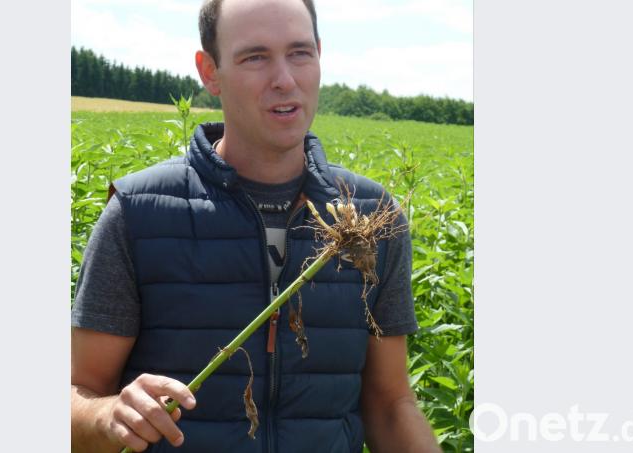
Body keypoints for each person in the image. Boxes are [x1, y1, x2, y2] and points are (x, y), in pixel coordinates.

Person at [71, 0, 441, 452]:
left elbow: (389, 405)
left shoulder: (372, 217)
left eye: (300, 53)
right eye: (255, 57)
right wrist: (108, 416)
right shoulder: (139, 214)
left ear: (320, 56)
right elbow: (77, 396)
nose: (284, 79)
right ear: (210, 72)